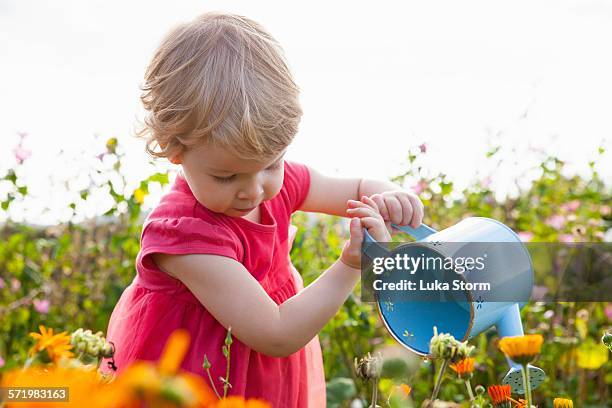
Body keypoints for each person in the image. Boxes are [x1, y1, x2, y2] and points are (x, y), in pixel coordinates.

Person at [102, 11, 424, 407]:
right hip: (193, 381)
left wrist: (387, 195)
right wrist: (351, 265)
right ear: (174, 148)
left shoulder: (275, 182)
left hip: (262, 376)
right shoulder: (184, 234)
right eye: (226, 177)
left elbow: (356, 189)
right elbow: (275, 333)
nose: (254, 191)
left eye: (272, 164)